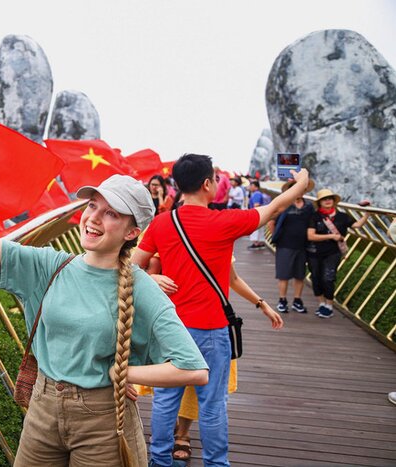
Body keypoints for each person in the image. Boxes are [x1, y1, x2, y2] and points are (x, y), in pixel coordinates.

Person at [0, 146, 209, 466]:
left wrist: (123, 372)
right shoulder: (50, 265)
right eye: (93, 205)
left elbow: (193, 369)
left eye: (111, 213)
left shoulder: (141, 288)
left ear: (132, 232)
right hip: (42, 408)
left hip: (102, 419)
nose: (93, 218)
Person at [132, 153, 309, 467]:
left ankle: (159, 461)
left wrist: (152, 277)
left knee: (165, 401)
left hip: (170, 328)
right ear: (207, 184)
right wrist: (302, 178)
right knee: (212, 405)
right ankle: (215, 463)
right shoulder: (225, 221)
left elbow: (129, 268)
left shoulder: (162, 223)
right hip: (212, 330)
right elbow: (277, 206)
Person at [144, 261, 283, 462]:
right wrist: (150, 278)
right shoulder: (166, 230)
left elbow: (231, 277)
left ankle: (174, 444)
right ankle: (198, 453)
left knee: (169, 397)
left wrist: (261, 303)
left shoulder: (213, 233)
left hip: (190, 324)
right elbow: (137, 269)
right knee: (204, 399)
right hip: (187, 323)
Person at [307, 189, 370, 318]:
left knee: (328, 278)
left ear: (334, 201)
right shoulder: (314, 216)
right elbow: (311, 236)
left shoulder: (342, 216)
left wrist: (367, 214)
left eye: (330, 198)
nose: (328, 200)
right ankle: (321, 304)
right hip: (315, 252)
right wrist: (331, 236)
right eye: (325, 199)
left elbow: (357, 225)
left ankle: (329, 306)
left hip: (333, 252)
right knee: (316, 277)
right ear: (319, 202)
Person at [268, 179, 316, 313]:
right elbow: (271, 222)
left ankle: (297, 300)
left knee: (299, 275)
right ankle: (282, 300)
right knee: (283, 275)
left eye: (301, 188)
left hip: (302, 246)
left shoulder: (309, 206)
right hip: (285, 245)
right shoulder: (284, 205)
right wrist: (276, 238)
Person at [247, 181, 267, 249]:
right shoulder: (259, 193)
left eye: (251, 185)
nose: (250, 187)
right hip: (261, 214)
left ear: (256, 187)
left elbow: (256, 205)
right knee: (260, 229)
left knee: (255, 229)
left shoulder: (256, 194)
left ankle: (256, 243)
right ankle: (260, 243)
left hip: (256, 214)